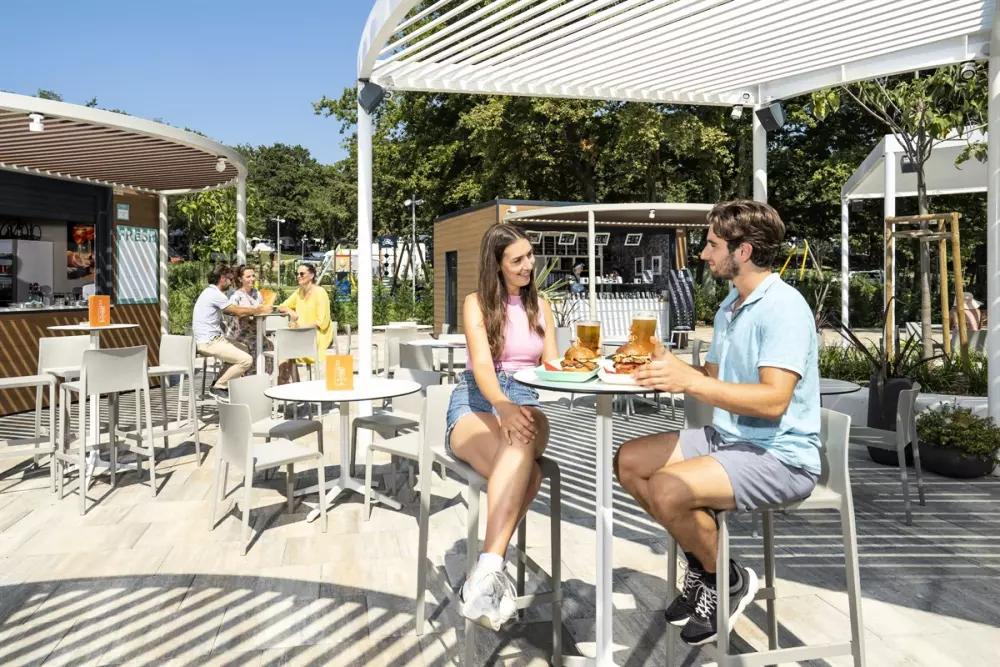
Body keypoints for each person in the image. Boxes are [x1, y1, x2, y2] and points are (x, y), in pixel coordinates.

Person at [614, 201, 821, 647]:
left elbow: (774, 400)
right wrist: (667, 365)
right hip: (729, 438)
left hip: (780, 455)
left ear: (742, 251)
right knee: (629, 462)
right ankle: (704, 566)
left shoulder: (783, 308)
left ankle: (726, 580)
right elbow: (710, 378)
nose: (704, 254)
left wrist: (689, 381)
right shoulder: (732, 304)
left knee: (668, 488)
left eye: (712, 245)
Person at [447, 223, 558, 631]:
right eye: (517, 260)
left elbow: (552, 364)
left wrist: (581, 362)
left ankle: (484, 572)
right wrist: (502, 406)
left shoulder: (541, 306)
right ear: (496, 265)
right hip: (477, 398)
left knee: (520, 443)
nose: (529, 265)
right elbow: (481, 365)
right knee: (528, 474)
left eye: (530, 255)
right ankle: (491, 572)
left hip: (526, 399)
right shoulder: (476, 303)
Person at [192, 264, 270, 399]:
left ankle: (218, 381)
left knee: (244, 349)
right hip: (209, 342)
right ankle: (219, 386)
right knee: (246, 360)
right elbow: (237, 312)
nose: (231, 282)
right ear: (223, 278)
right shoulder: (215, 294)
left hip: (213, 339)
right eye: (230, 279)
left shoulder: (209, 292)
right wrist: (259, 310)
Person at [276, 263, 333, 383]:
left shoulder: (320, 292)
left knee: (286, 346)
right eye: (297, 274)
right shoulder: (299, 292)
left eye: (302, 274)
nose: (298, 276)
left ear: (311, 275)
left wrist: (300, 327)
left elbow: (322, 322)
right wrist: (290, 311)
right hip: (299, 334)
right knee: (285, 345)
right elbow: (281, 307)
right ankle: (286, 380)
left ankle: (283, 381)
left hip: (316, 335)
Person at [227, 265, 267, 371]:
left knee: (272, 347)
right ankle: (251, 377)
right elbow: (233, 314)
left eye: (253, 276)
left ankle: (264, 375)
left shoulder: (257, 294)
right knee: (255, 348)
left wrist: (264, 312)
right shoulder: (236, 296)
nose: (252, 279)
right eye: (248, 276)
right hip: (239, 335)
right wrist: (253, 311)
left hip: (255, 334)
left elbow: (262, 316)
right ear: (240, 279)